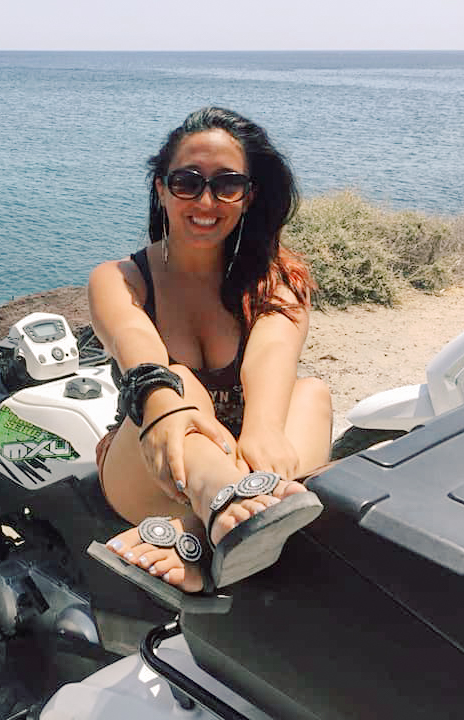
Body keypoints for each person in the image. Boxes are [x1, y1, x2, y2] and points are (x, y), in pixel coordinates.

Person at [88, 107, 333, 598]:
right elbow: (137, 347)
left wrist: (262, 430)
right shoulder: (120, 278)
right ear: (161, 188)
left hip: (254, 460)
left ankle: (210, 528)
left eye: (226, 184)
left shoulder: (277, 278)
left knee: (311, 391)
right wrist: (160, 396)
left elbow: (273, 355)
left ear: (248, 196)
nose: (206, 200)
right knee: (178, 382)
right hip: (154, 460)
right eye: (187, 181)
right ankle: (221, 507)